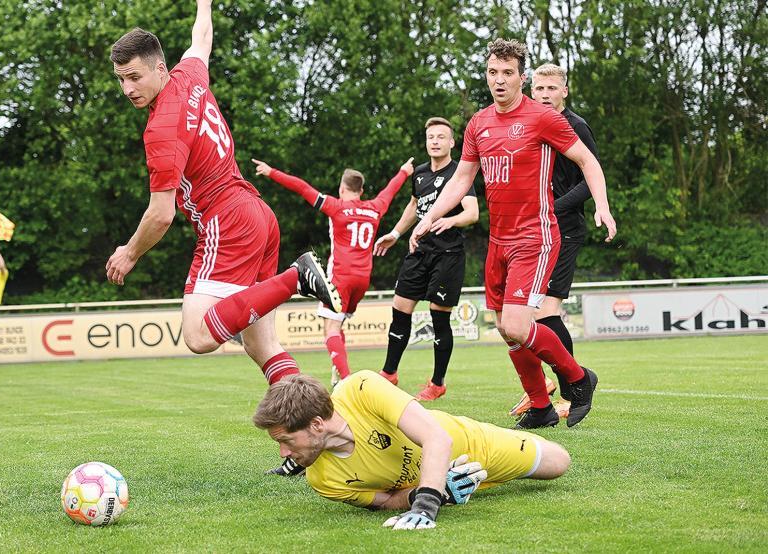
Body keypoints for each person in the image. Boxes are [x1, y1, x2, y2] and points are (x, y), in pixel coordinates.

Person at [106, 1, 340, 475]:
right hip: (257, 214)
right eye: (121, 80)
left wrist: (129, 253)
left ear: (158, 68)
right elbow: (202, 37)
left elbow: (160, 215)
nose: (128, 88)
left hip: (226, 221)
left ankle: (299, 276)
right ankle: (311, 437)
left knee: (197, 335)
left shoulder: (162, 128)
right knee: (263, 348)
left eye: (134, 77)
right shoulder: (191, 76)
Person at [411, 39, 617, 429]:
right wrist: (427, 217)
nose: (499, 80)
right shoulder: (478, 123)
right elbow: (460, 180)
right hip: (498, 242)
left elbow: (588, 160)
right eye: (493, 73)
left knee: (519, 325)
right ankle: (540, 406)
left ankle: (577, 378)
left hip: (534, 238)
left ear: (522, 77)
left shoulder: (543, 118)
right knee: (506, 330)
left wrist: (602, 207)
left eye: (508, 73)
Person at [253, 372, 571, 530]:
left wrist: (425, 507)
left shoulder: (360, 388)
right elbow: (389, 501)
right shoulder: (322, 481)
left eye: (287, 440)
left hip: (473, 442)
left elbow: (437, 438)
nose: (282, 453)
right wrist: (434, 490)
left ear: (317, 424)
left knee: (559, 462)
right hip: (437, 482)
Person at [251, 157, 414, 386]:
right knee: (338, 326)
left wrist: (271, 172)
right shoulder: (375, 207)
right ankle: (338, 375)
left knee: (330, 328)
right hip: (363, 279)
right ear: (362, 190)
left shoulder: (336, 206)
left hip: (340, 277)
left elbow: (303, 188)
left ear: (341, 188)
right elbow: (390, 190)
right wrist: (404, 172)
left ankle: (347, 382)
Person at [508, 63, 601, 420]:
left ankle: (573, 387)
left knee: (546, 313)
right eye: (539, 89)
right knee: (522, 319)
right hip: (534, 231)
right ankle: (547, 391)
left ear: (564, 91)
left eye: (551, 88)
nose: (544, 95)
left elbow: (588, 180)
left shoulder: (576, 127)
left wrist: (549, 207)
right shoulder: (530, 123)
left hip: (564, 229)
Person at [372, 117, 479, 401]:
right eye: (431, 137)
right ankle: (389, 373)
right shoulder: (419, 174)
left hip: (448, 256)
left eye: (441, 137)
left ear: (452, 142)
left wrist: (451, 221)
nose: (435, 141)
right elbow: (414, 206)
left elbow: (472, 212)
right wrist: (395, 233)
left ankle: (437, 382)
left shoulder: (459, 173)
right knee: (400, 309)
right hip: (418, 251)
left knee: (438, 318)